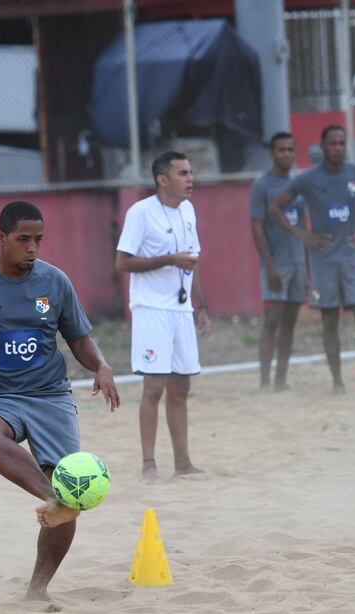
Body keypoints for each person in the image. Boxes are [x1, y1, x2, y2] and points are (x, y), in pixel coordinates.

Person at [0, 200, 120, 602]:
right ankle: (51, 497)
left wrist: (101, 365)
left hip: (51, 397)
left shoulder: (55, 282)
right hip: (1, 397)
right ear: (1, 238)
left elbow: (79, 338)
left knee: (72, 490)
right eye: (23, 239)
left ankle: (37, 589)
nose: (33, 248)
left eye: (39, 239)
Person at [115, 151, 211, 483]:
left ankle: (183, 462)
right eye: (183, 173)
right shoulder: (140, 213)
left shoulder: (188, 210)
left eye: (190, 172)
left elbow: (193, 260)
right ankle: (148, 464)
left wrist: (202, 307)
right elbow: (122, 263)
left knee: (181, 386)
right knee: (153, 386)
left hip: (181, 310)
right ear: (162, 179)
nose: (190, 178)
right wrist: (169, 259)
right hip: (151, 310)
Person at [270, 125, 355, 393]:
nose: (337, 148)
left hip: (351, 256)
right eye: (332, 143)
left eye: (342, 143)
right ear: (322, 147)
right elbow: (275, 208)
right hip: (322, 258)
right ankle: (338, 382)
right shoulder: (307, 179)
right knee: (330, 318)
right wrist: (303, 236)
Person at [250, 132, 308, 391]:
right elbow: (257, 226)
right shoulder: (262, 185)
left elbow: (303, 227)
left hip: (298, 264)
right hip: (276, 264)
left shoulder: (299, 184)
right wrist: (269, 265)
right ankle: (264, 381)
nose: (287, 154)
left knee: (290, 322)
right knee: (271, 319)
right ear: (272, 154)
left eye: (291, 149)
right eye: (281, 150)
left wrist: (307, 266)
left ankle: (281, 380)